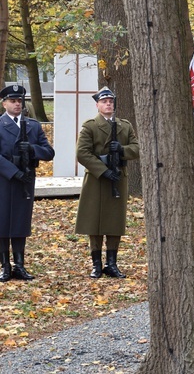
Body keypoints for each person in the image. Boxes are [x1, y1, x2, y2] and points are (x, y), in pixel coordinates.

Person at [75, 87, 140, 279]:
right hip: (97, 179)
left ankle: (112, 263)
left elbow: (136, 149)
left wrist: (121, 149)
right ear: (98, 105)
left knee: (114, 221)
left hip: (118, 177)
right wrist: (103, 171)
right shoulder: (90, 126)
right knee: (94, 222)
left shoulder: (125, 126)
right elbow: (82, 153)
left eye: (111, 101)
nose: (108, 104)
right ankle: (96, 264)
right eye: (104, 101)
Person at [0, 85, 55, 282]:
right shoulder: (0, 124)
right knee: (3, 221)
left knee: (21, 222)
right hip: (5, 180)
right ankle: (5, 266)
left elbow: (49, 152)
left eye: (19, 101)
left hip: (26, 178)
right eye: (12, 101)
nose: (17, 104)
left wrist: (32, 149)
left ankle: (20, 265)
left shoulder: (33, 125)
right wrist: (13, 172)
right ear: (4, 103)